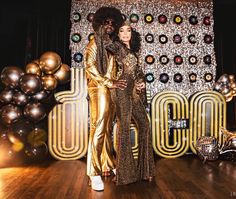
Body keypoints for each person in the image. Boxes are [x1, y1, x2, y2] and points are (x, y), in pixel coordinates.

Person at [104, 21, 155, 185]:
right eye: (121, 31)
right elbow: (104, 44)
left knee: (145, 124)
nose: (125, 34)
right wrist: (111, 82)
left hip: (133, 91)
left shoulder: (134, 51)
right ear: (117, 34)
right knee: (124, 127)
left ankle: (145, 170)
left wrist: (142, 82)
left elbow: (137, 72)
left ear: (132, 34)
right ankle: (124, 174)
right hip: (121, 90)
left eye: (128, 30)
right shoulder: (116, 47)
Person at [84, 6, 127, 191]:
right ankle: (93, 173)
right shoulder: (94, 43)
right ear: (100, 24)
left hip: (110, 89)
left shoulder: (113, 46)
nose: (109, 26)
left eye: (112, 23)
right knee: (99, 127)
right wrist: (108, 82)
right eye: (106, 22)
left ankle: (107, 163)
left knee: (108, 127)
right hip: (98, 88)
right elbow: (90, 66)